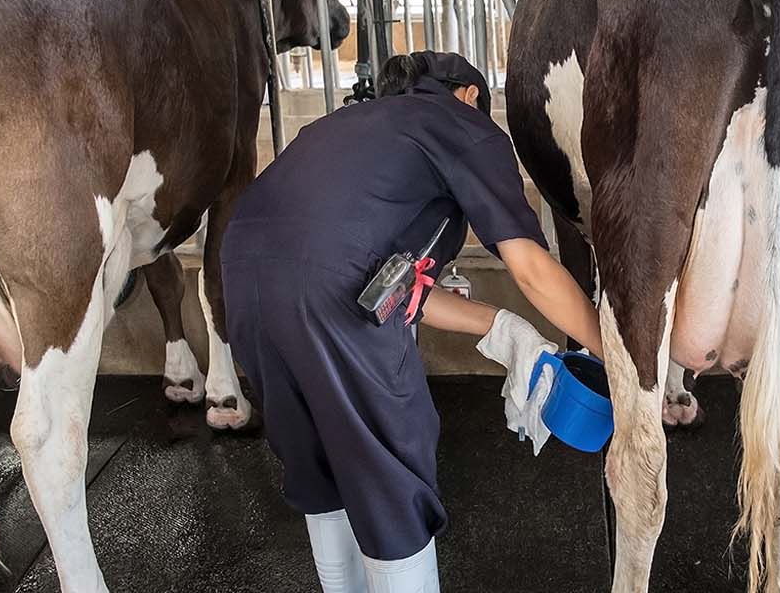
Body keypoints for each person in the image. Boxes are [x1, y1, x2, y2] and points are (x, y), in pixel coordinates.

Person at [220, 51, 603, 593]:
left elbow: (391, 287)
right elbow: (533, 269)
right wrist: (619, 357)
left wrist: (499, 326)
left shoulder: (342, 126)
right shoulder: (462, 124)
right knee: (388, 473)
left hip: (242, 280)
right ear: (469, 95)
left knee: (316, 462)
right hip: (330, 292)